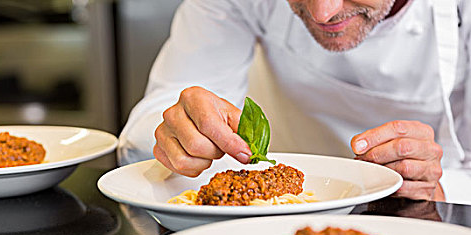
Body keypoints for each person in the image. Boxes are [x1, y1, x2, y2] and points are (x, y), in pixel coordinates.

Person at [118, 0, 471, 204]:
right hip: (278, 214)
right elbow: (143, 133)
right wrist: (179, 131)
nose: (322, 13)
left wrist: (441, 186)